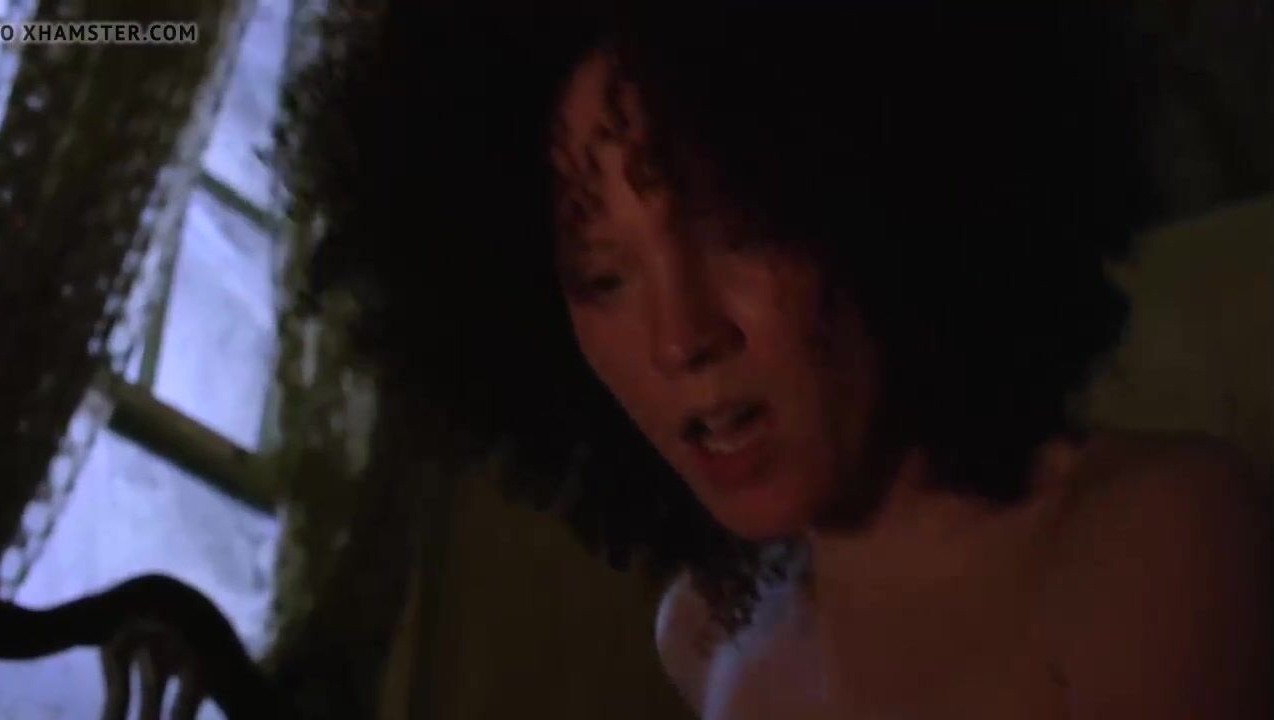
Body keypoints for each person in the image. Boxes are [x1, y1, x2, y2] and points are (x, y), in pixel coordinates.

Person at [299, 1, 1271, 717]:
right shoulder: (701, 636)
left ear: (889, 183)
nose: (681, 337)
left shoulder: (1150, 542)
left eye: (738, 228)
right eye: (601, 276)